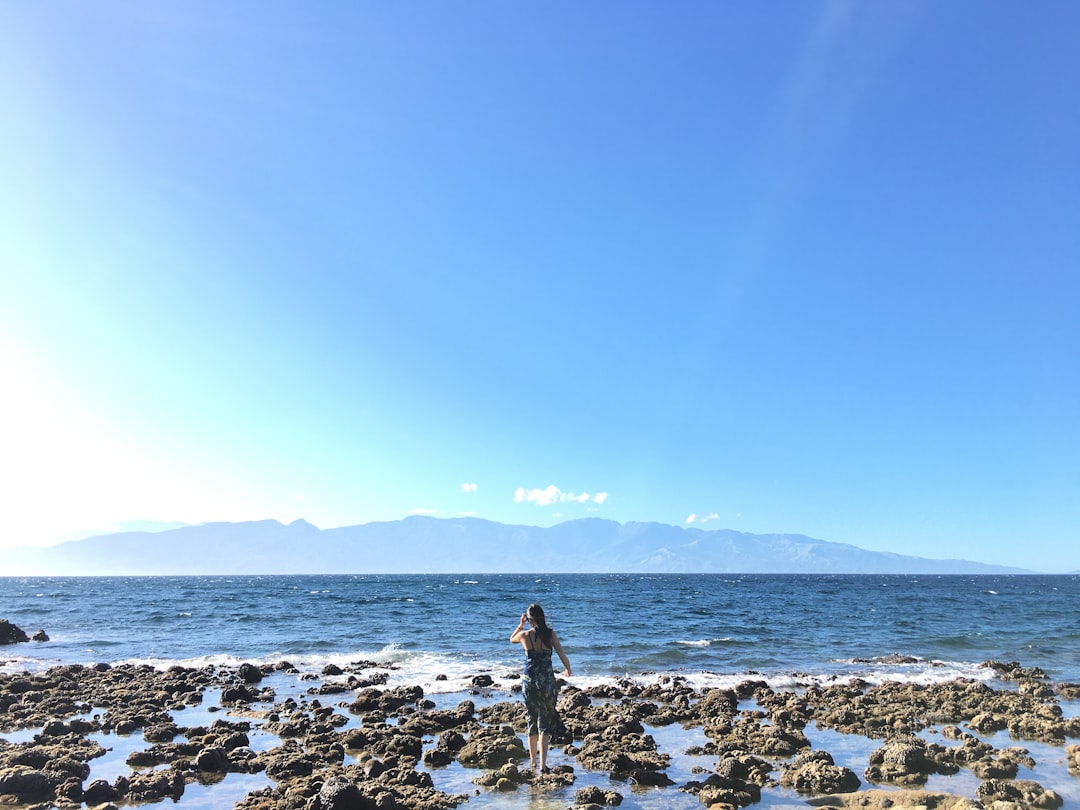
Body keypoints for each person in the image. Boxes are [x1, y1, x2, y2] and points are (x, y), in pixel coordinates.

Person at [510, 602, 572, 773]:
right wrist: (568, 669)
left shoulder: (524, 635)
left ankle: (533, 764)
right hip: (546, 681)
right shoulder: (550, 634)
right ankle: (543, 765)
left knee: (531, 719)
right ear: (542, 617)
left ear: (529, 619)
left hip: (529, 681)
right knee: (544, 721)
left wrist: (520, 625)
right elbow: (562, 655)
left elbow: (511, 639)